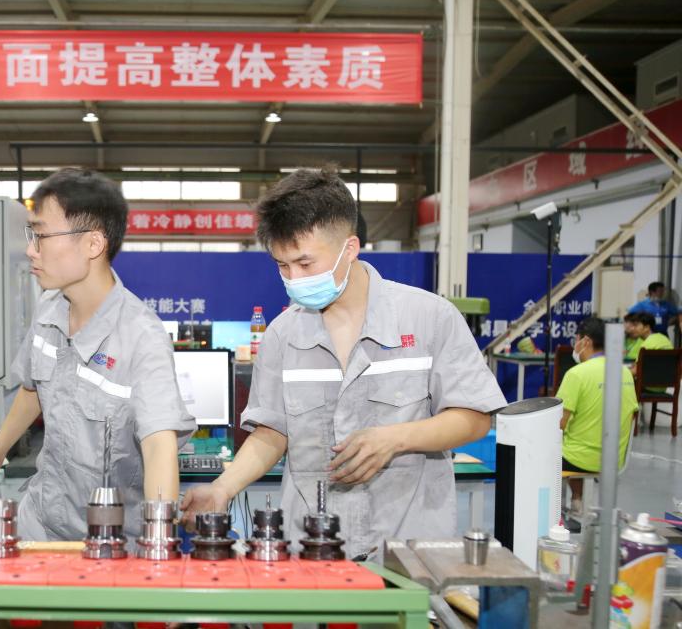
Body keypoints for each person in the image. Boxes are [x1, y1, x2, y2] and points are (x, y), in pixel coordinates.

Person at [181, 167, 507, 559]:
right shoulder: (283, 335)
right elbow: (272, 433)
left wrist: (396, 438)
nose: (294, 278)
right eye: (282, 265)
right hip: (311, 548)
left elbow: (474, 417)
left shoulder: (429, 318)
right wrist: (222, 488)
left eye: (305, 263)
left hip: (407, 548)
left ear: (349, 248)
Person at [0, 168, 196, 541]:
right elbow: (33, 388)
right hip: (41, 521)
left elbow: (159, 448)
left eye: (41, 236)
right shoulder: (49, 307)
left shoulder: (141, 337)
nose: (31, 250)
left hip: (108, 538)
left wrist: (158, 543)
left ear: (92, 244)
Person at [556, 317, 638, 513]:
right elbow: (631, 415)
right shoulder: (625, 373)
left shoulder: (577, 374)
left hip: (578, 459)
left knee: (543, 447)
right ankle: (578, 499)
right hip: (614, 459)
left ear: (586, 341)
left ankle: (560, 507)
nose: (575, 345)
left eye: (576, 339)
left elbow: (558, 423)